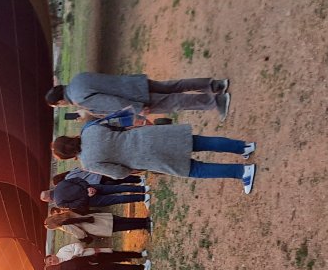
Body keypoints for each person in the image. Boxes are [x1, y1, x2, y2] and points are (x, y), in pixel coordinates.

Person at [52, 125, 258, 194]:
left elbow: (119, 173)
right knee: (200, 142)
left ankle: (242, 172)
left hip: (147, 158)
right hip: (149, 136)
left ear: (69, 156)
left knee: (196, 169)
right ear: (69, 138)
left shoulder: (88, 163)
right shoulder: (89, 130)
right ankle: (243, 146)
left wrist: (134, 170)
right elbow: (121, 127)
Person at [46, 72, 231, 120]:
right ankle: (215, 85)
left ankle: (216, 101)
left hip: (136, 99)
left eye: (60, 106)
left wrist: (137, 109)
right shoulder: (78, 79)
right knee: (174, 85)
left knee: (175, 102)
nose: (63, 106)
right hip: (132, 83)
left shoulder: (79, 99)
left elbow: (111, 102)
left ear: (60, 101)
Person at [40, 177, 145, 213]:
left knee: (117, 199)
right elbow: (78, 180)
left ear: (48, 200)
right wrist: (87, 187)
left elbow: (77, 205)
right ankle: (142, 188)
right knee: (116, 188)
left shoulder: (59, 203)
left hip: (92, 200)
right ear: (49, 190)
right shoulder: (60, 184)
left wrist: (87, 195)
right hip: (93, 187)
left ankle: (142, 197)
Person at [44, 211, 150, 241]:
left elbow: (79, 233)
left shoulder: (64, 226)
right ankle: (144, 220)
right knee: (122, 220)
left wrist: (83, 238)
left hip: (94, 227)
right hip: (95, 218)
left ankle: (143, 225)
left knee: (122, 227)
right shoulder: (65, 213)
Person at [49, 242, 146, 264]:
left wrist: (76, 255)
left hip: (93, 254)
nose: (52, 261)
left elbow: (77, 245)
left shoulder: (62, 251)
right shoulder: (61, 267)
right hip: (94, 264)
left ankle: (139, 255)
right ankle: (137, 265)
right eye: (50, 263)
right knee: (116, 262)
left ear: (52, 255)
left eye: (50, 259)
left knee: (117, 254)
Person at [52, 167, 145, 188]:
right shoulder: (70, 172)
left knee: (119, 181)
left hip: (96, 181)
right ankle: (139, 178)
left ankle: (139, 181)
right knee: (119, 177)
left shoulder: (69, 180)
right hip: (97, 173)